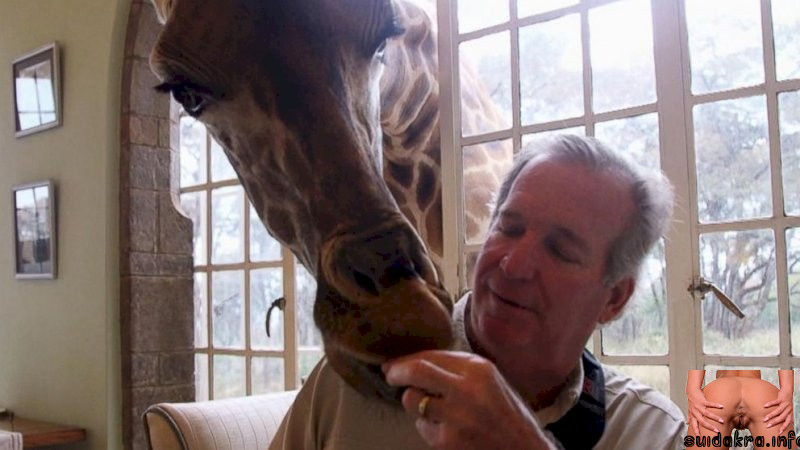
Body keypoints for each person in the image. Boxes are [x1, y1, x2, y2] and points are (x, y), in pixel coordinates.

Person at [270, 134, 686, 449]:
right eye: (509, 227)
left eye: (560, 251)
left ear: (614, 299)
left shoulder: (652, 432)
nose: (513, 265)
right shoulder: (360, 374)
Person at [685, 369, 794, 449]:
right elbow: (784, 345)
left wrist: (693, 388)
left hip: (720, 393)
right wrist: (787, 389)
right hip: (760, 394)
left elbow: (695, 343)